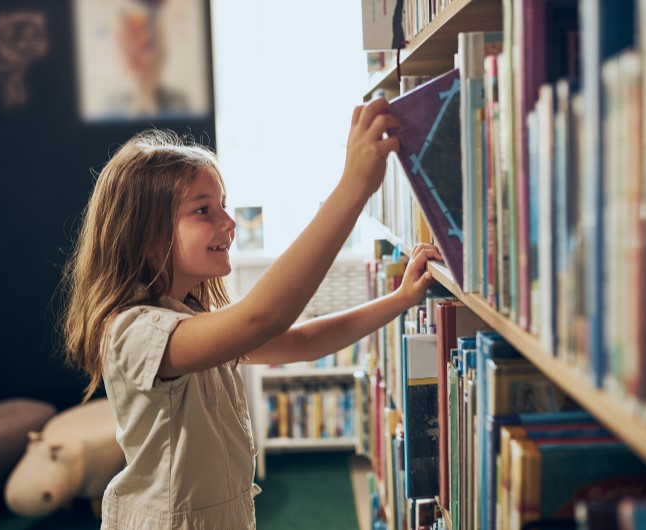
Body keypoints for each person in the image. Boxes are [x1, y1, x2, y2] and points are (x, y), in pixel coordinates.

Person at [61, 98, 441, 530]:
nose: (228, 222)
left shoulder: (189, 318)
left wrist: (400, 299)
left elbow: (301, 342)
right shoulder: (133, 331)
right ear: (146, 240)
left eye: (222, 204)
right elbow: (262, 318)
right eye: (203, 210)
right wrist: (353, 187)